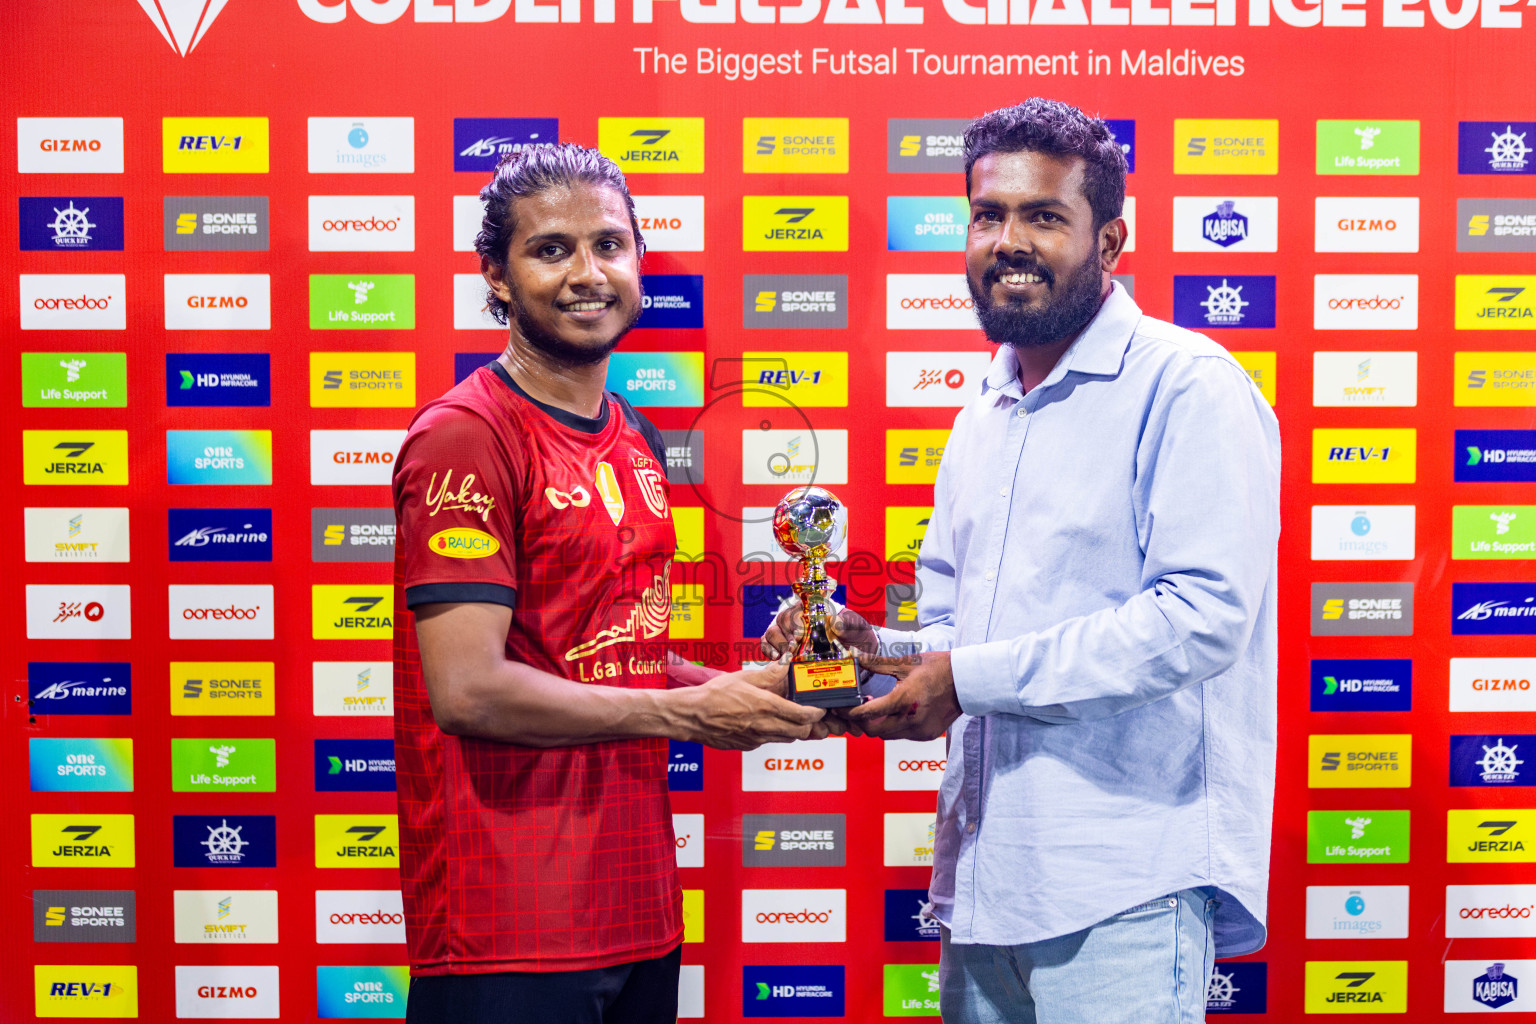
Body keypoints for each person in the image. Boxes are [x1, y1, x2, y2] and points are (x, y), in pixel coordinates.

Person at [764, 98, 1280, 1024]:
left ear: (1111, 239)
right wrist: (862, 644)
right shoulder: (983, 414)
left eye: (1044, 216)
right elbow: (962, 634)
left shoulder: (1188, 385)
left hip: (1126, 879)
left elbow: (1200, 617)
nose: (1010, 240)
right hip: (986, 876)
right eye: (989, 214)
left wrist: (962, 679)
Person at [392, 143, 825, 1024]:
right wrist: (688, 715)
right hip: (508, 921)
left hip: (636, 908)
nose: (589, 273)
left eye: (609, 246)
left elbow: (605, 660)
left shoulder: (633, 435)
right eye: (552, 250)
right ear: (496, 277)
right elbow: (469, 691)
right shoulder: (466, 435)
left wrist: (743, 692)